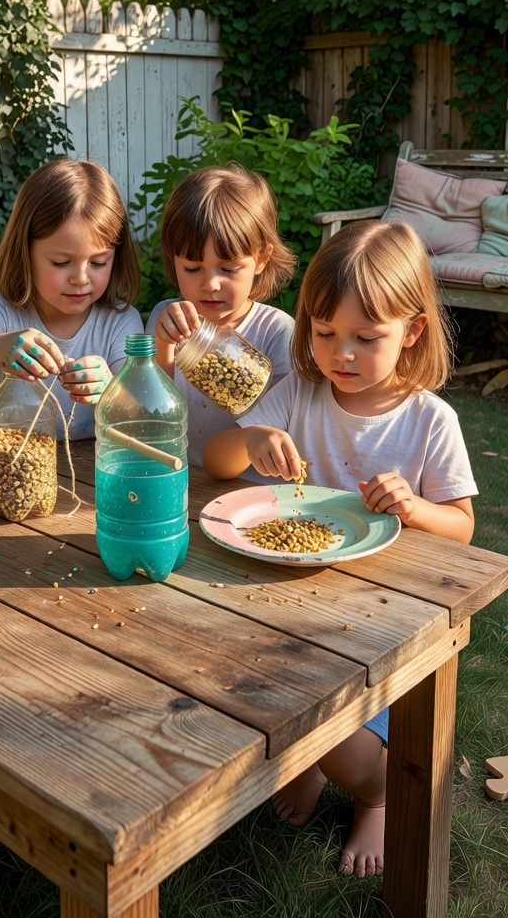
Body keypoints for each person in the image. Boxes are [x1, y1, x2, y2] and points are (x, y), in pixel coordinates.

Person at [203, 220, 476, 877]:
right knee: (240, 688)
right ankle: (308, 762)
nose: (339, 355)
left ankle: (379, 793)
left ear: (411, 331)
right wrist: (250, 442)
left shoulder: (427, 420)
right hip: (290, 605)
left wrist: (414, 508)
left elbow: (462, 526)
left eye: (364, 338)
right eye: (324, 334)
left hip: (380, 621)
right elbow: (216, 461)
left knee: (343, 749)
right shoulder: (299, 395)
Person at [0, 158, 142, 437]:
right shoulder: (4, 312)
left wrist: (112, 389)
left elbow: (140, 415)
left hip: (96, 472)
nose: (81, 278)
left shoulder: (120, 323)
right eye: (61, 263)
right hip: (19, 468)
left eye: (98, 263)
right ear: (25, 253)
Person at [146, 164, 297, 473]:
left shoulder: (277, 332)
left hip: (252, 488)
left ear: (261, 260)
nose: (211, 284)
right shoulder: (166, 321)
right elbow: (152, 411)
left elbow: (286, 418)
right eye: (192, 268)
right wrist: (163, 346)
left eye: (228, 269)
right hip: (176, 476)